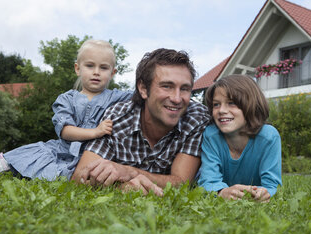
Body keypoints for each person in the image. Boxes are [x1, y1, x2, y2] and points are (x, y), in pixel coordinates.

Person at [0, 39, 132, 180]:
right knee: (37, 153)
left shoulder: (116, 97)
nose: (96, 72)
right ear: (77, 68)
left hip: (93, 154)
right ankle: (2, 164)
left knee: (87, 173)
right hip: (62, 149)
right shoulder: (67, 99)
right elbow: (65, 131)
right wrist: (96, 132)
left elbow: (143, 96)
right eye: (90, 66)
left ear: (112, 73)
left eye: (104, 67)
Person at [71, 48, 210, 196]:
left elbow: (182, 182)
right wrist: (121, 188)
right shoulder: (118, 118)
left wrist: (129, 172)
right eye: (166, 86)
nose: (177, 98)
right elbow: (79, 177)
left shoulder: (197, 118)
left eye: (185, 89)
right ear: (143, 89)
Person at [197, 75, 282, 202]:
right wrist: (221, 192)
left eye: (231, 103)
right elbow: (209, 181)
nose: (222, 110)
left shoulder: (269, 137)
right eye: (216, 104)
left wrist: (265, 193)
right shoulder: (211, 135)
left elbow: (272, 185)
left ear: (250, 104)